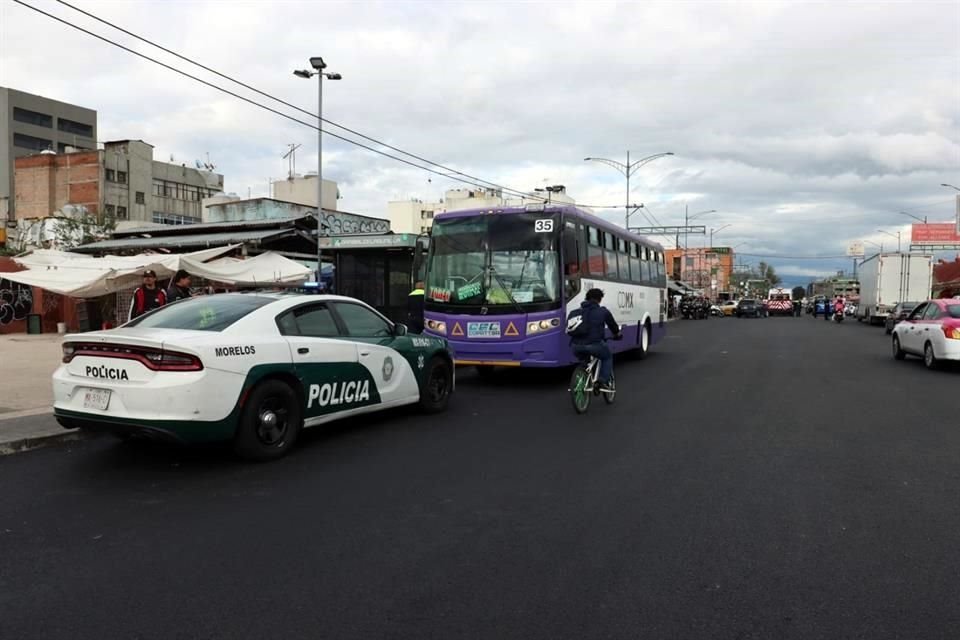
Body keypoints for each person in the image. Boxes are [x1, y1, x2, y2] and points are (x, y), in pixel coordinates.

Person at [569, 288, 621, 391]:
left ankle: (582, 376)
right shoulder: (603, 311)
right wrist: (618, 334)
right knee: (607, 357)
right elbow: (613, 326)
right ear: (600, 299)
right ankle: (602, 381)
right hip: (594, 345)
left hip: (575, 346)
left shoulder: (575, 312)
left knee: (584, 362)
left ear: (586, 298)